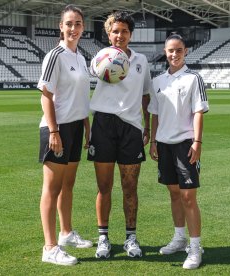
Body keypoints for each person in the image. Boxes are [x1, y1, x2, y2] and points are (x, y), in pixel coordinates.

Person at [88, 11, 151, 259]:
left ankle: (131, 238)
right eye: (115, 31)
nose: (120, 35)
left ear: (130, 34)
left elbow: (146, 95)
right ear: (108, 33)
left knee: (130, 187)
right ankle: (103, 238)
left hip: (131, 128)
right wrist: (103, 62)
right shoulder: (100, 57)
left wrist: (147, 127)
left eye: (124, 31)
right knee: (104, 187)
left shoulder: (141, 61)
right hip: (103, 124)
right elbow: (93, 71)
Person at [37, 4, 92, 266]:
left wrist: (87, 128)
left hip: (75, 127)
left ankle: (66, 233)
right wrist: (54, 131)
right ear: (61, 27)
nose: (73, 28)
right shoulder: (55, 56)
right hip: (56, 128)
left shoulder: (81, 58)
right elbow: (45, 95)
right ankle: (50, 247)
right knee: (52, 187)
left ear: (83, 27)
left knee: (68, 185)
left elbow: (81, 98)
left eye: (78, 23)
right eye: (69, 23)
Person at [148, 33, 209, 269]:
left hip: (185, 144)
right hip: (163, 144)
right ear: (165, 51)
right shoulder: (158, 81)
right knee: (174, 194)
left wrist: (197, 142)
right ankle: (179, 237)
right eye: (171, 50)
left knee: (188, 197)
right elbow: (155, 114)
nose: (174, 54)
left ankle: (195, 248)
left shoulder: (194, 78)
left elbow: (198, 112)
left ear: (185, 52)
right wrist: (153, 141)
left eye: (179, 50)